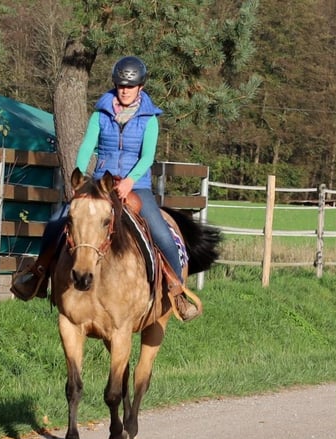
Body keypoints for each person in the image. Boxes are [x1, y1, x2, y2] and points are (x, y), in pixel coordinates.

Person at [11, 56, 199, 321]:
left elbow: (147, 157)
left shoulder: (150, 119)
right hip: (99, 183)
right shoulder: (101, 113)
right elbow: (88, 146)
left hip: (136, 186)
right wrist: (80, 178)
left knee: (161, 233)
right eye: (120, 85)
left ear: (140, 88)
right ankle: (38, 275)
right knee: (56, 221)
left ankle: (177, 291)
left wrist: (131, 180)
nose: (124, 90)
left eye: (130, 86)